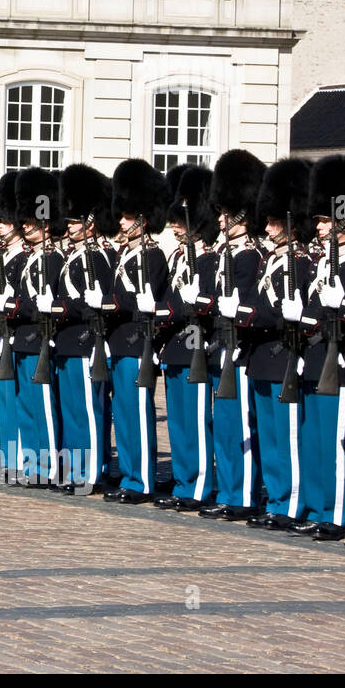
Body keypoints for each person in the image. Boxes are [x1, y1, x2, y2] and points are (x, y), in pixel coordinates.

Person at [295, 155, 345, 540]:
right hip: (314, 357)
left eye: (325, 220)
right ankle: (318, 505)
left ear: (343, 221)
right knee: (313, 439)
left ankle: (336, 512)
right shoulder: (323, 263)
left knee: (335, 439)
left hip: (335, 360)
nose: (319, 227)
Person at [243, 158, 314, 531]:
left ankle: (291, 502)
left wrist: (251, 316)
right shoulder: (272, 260)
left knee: (286, 437)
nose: (268, 230)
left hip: (285, 353)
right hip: (262, 356)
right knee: (269, 436)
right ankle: (276, 497)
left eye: (274, 222)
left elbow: (281, 314)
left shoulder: (300, 262)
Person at [198, 150, 267, 522]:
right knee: (223, 423)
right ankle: (227, 490)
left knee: (239, 425)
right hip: (219, 344)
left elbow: (245, 301)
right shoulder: (225, 252)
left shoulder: (250, 255)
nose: (221, 219)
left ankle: (241, 494)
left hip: (238, 347)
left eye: (227, 213)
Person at [100, 159, 170, 504]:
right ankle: (129, 474)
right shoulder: (124, 254)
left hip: (137, 342)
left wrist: (112, 302)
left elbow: (139, 298)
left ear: (142, 218)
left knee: (137, 414)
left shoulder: (153, 255)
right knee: (123, 415)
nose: (122, 222)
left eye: (128, 217)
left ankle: (141, 479)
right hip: (119, 342)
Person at [153, 166, 219, 510]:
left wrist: (174, 309)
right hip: (176, 345)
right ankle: (183, 479)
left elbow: (206, 303)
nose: (175, 227)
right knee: (177, 421)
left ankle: (198, 484)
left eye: (181, 221)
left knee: (194, 420)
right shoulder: (179, 256)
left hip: (196, 342)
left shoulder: (209, 259)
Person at [52, 165, 114, 493]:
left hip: (85, 340)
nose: (70, 226)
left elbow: (96, 304)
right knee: (72, 412)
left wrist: (68, 306)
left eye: (76, 221)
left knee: (87, 412)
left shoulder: (97, 257)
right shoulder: (74, 256)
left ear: (90, 222)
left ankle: (89, 473)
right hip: (67, 341)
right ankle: (74, 469)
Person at [8, 167, 65, 486]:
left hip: (41, 338)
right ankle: (32, 464)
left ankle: (48, 467)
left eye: (31, 221)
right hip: (23, 338)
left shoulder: (53, 259)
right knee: (26, 407)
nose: (25, 225)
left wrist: (19, 307)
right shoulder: (33, 258)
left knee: (43, 408)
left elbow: (45, 302)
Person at [0, 172, 26, 479]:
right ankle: (6, 455)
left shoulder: (22, 257)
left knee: (18, 400)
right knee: (5, 399)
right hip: (1, 335)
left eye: (4, 221)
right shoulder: (3, 256)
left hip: (18, 335)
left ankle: (18, 459)